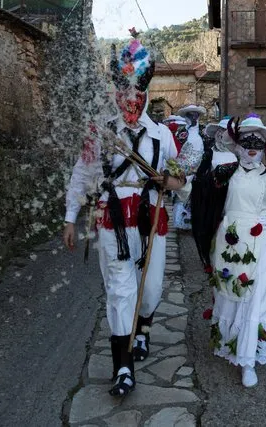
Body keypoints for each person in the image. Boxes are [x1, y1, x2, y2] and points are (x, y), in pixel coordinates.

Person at [62, 34, 182, 397]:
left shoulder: (162, 134)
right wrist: (70, 216)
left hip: (151, 218)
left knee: (150, 291)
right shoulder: (99, 133)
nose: (130, 99)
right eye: (124, 92)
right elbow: (82, 175)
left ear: (145, 95)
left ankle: (142, 327)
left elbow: (180, 181)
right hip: (112, 217)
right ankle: (123, 367)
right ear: (116, 93)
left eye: (137, 93)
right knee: (119, 290)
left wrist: (168, 180)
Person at [161, 113, 266, 388]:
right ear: (237, 145)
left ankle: (248, 360)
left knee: (254, 299)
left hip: (258, 243)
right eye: (247, 141)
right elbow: (200, 192)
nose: (252, 148)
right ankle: (230, 344)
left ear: (265, 148)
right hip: (228, 242)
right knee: (228, 293)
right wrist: (178, 185)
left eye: (257, 143)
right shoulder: (226, 173)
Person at [170, 104, 206, 230]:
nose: (194, 118)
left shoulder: (200, 134)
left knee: (190, 197)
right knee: (181, 195)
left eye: (196, 116)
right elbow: (176, 152)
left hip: (194, 172)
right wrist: (180, 170)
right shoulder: (183, 133)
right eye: (191, 116)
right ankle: (179, 221)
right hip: (182, 171)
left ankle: (187, 222)